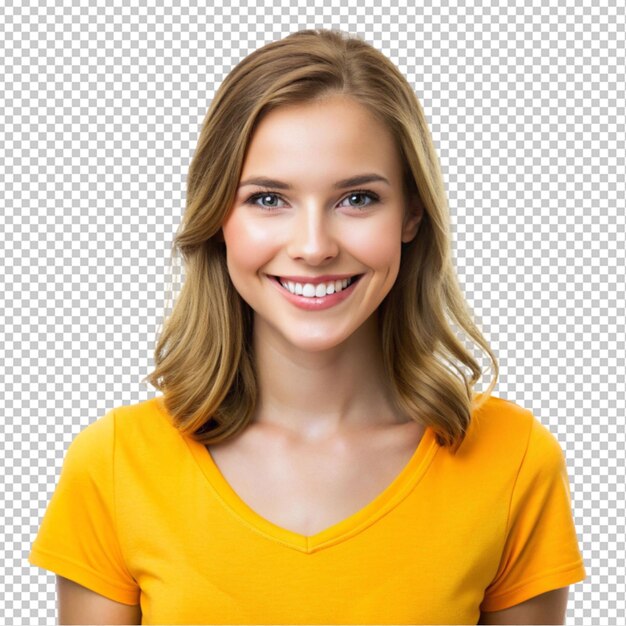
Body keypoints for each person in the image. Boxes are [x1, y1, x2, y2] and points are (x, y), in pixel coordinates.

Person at [28, 28, 586, 625]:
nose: (314, 247)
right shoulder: (115, 465)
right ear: (219, 216)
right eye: (269, 200)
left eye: (357, 199)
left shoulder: (515, 460)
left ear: (412, 214)